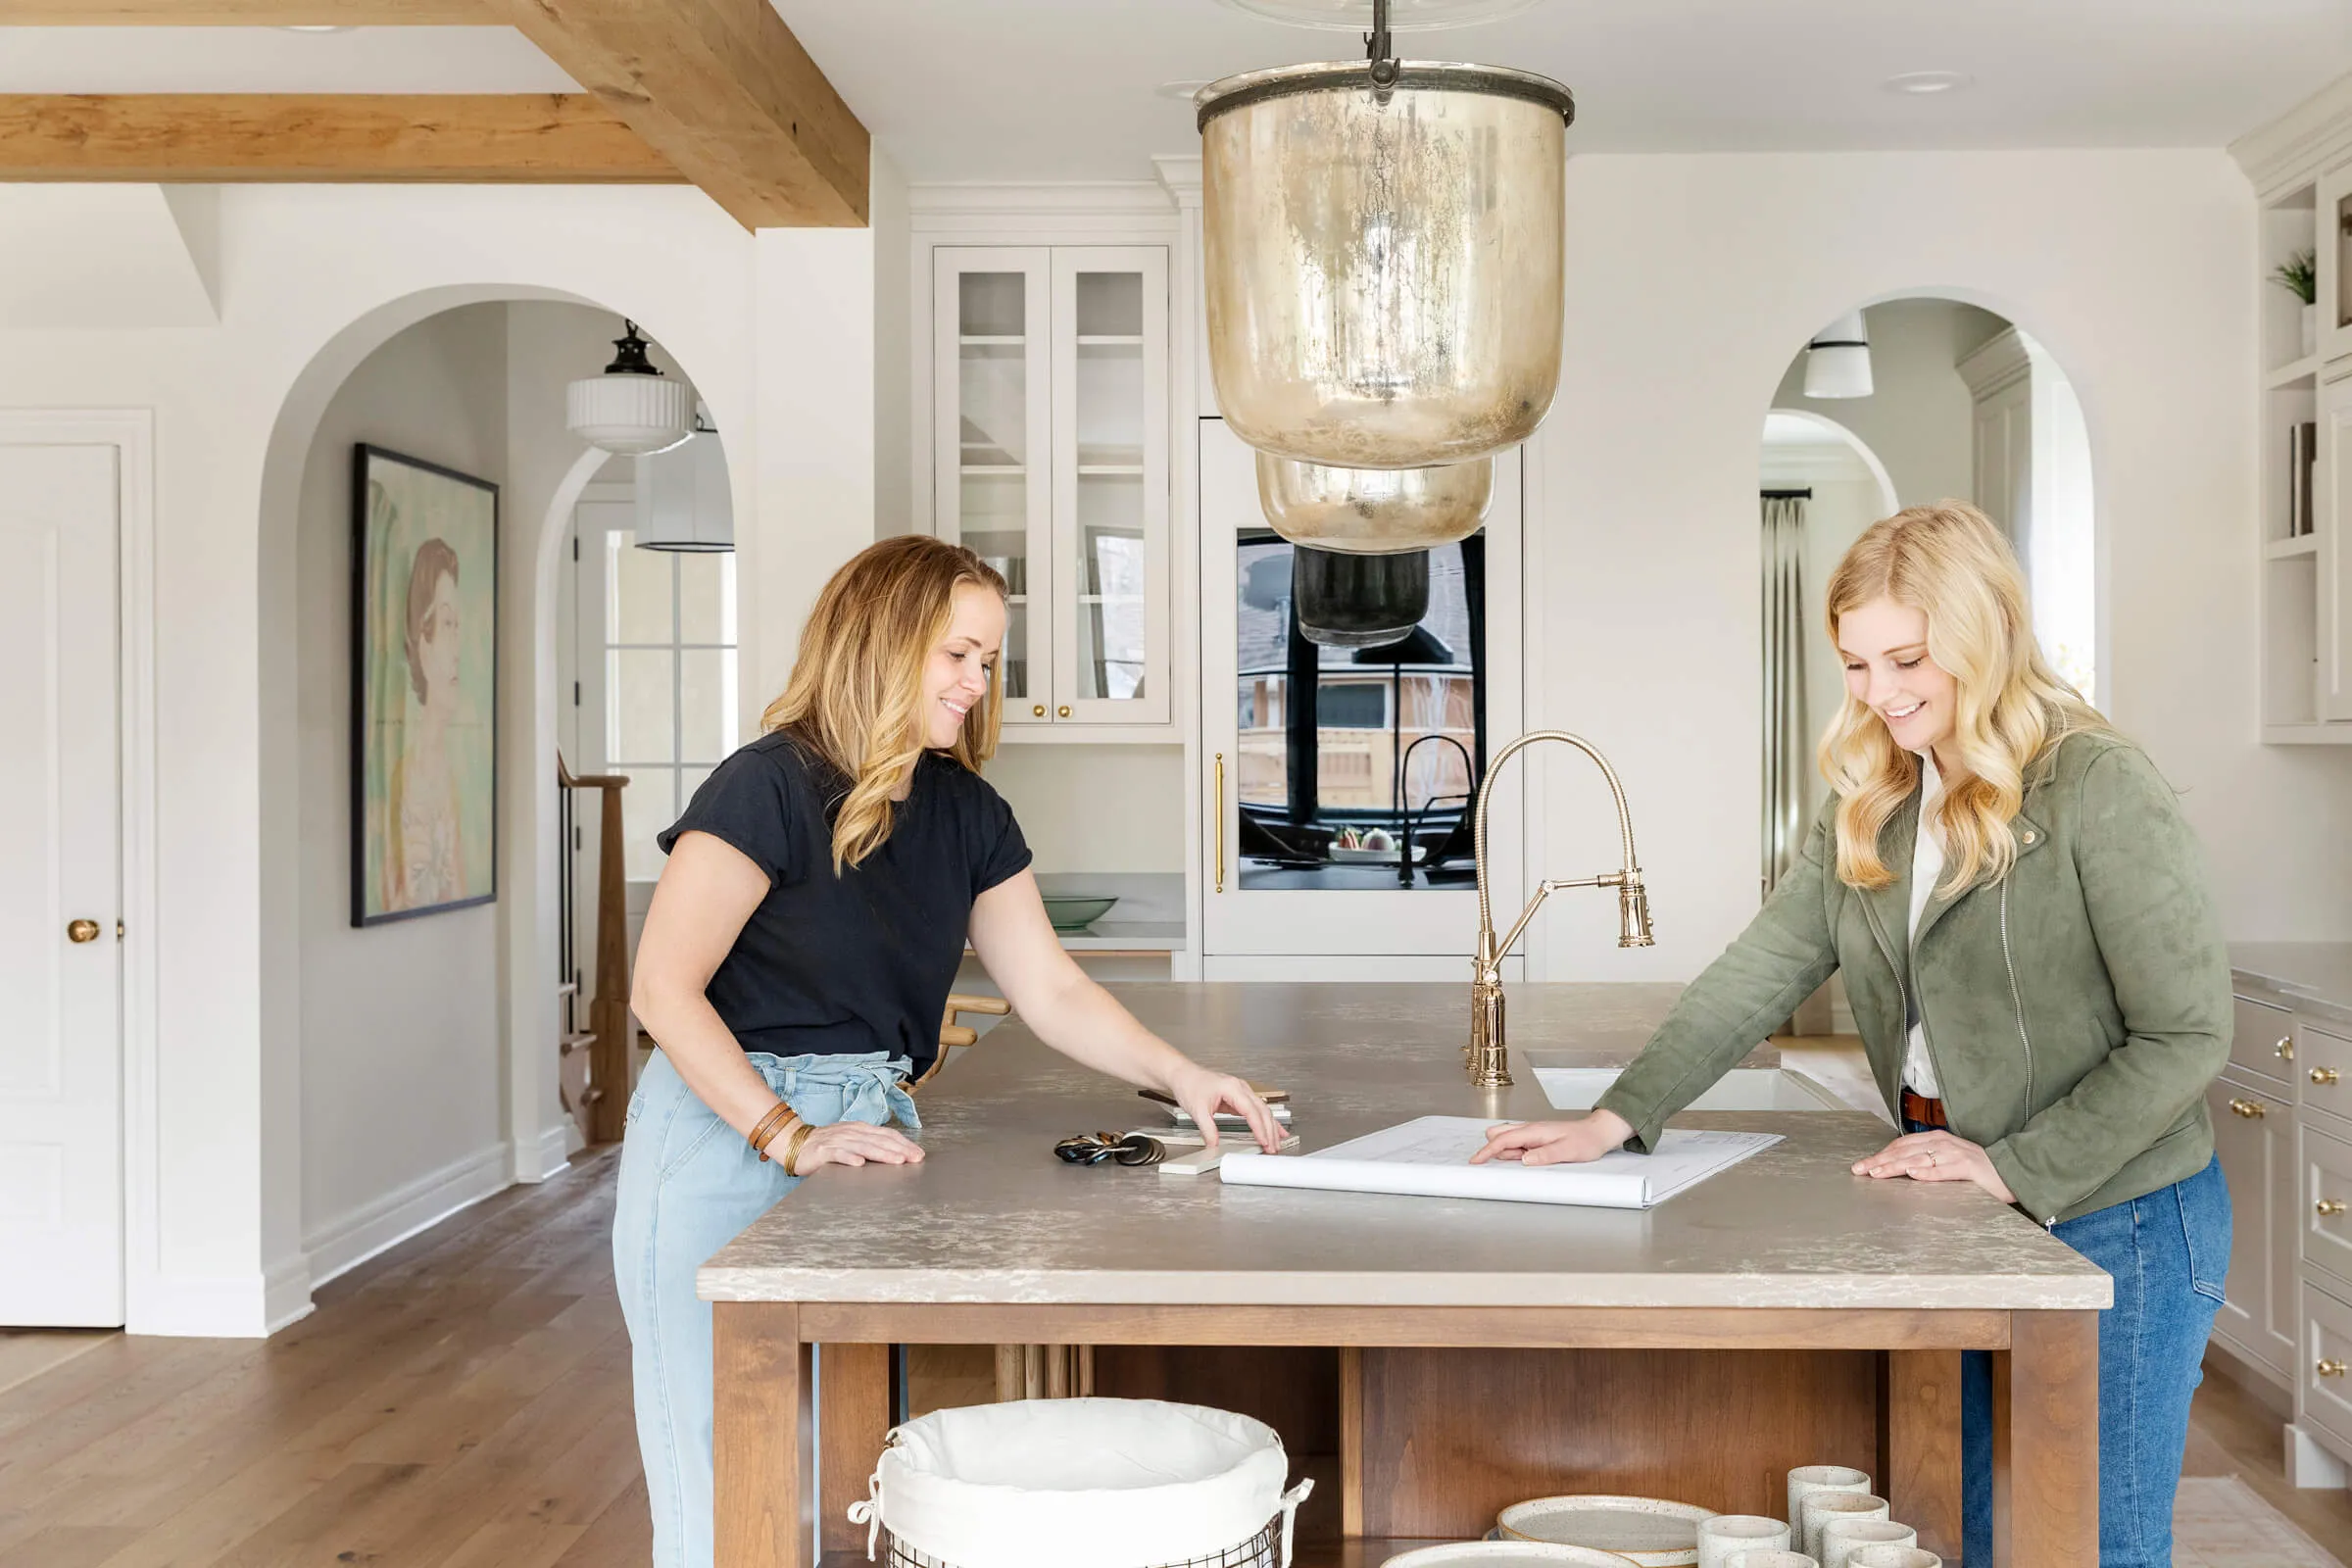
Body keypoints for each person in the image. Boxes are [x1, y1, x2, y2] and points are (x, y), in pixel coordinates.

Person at [1475, 503, 2230, 1568]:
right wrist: (1617, 1114)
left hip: (2125, 1220)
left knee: (2093, 1541)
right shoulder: (1876, 796)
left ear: (1982, 634)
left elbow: (2186, 1033)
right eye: (1857, 663)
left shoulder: (2098, 786)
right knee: (1972, 1528)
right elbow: (1763, 968)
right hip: (1965, 1206)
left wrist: (2014, 1165)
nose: (1879, 692)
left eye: (1907, 658)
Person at [613, 534, 1282, 1568]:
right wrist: (786, 1132)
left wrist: (1184, 1075)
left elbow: (1051, 988)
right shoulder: (770, 786)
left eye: (988, 660)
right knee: (718, 1463)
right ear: (884, 644)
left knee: (855, 1459)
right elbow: (663, 987)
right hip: (724, 1133)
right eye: (957, 655)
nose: (978, 682)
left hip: (866, 1132)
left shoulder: (965, 810)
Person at [386, 536, 465, 910]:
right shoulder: (404, 780)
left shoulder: (446, 780)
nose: (458, 648)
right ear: (423, 640)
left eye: (457, 626)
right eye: (448, 624)